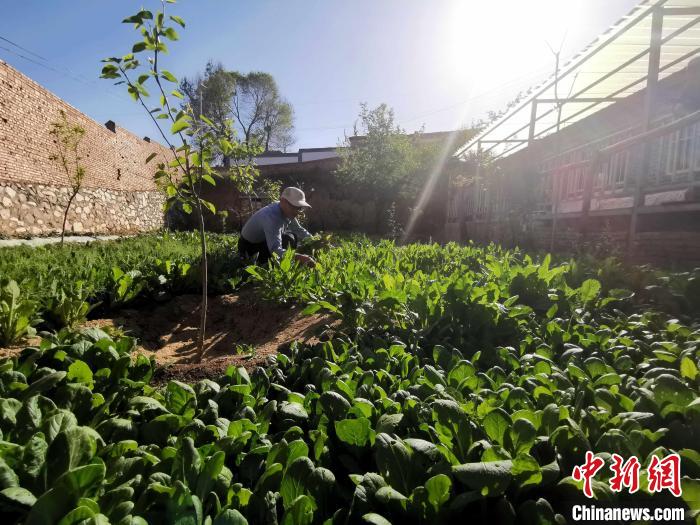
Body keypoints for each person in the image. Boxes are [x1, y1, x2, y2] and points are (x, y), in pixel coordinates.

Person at [238, 187, 316, 266]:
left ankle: (283, 262)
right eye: (294, 206)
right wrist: (299, 257)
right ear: (283, 201)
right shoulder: (271, 217)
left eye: (299, 208)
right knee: (286, 240)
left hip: (263, 241)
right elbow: (275, 250)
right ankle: (269, 265)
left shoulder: (286, 210)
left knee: (290, 237)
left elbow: (298, 229)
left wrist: (315, 240)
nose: (297, 211)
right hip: (249, 248)